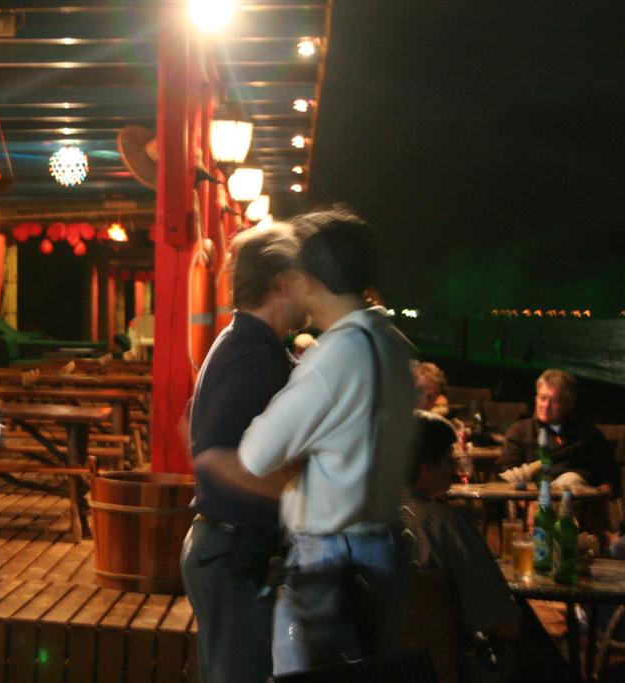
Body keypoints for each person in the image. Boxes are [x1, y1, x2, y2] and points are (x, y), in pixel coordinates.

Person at [204, 206, 419, 675]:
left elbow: (256, 453)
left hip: (333, 563)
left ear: (305, 280)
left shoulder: (334, 356)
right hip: (385, 548)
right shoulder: (393, 344)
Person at [180, 224, 307, 683]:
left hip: (225, 547)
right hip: (234, 553)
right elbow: (213, 452)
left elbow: (189, 424)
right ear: (281, 285)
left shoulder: (242, 341)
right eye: (305, 279)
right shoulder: (256, 355)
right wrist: (304, 498)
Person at [401, 411, 521, 680]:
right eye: (449, 460)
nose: (455, 469)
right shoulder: (446, 525)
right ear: (426, 468)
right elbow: (505, 624)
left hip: (378, 669)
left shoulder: (357, 521)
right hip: (449, 669)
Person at [497, 369, 617, 491]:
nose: (546, 406)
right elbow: (508, 472)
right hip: (531, 496)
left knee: (571, 479)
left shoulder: (587, 434)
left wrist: (602, 490)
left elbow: (607, 476)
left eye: (554, 401)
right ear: (536, 399)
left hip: (578, 497)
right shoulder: (520, 431)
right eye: (542, 398)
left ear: (569, 403)